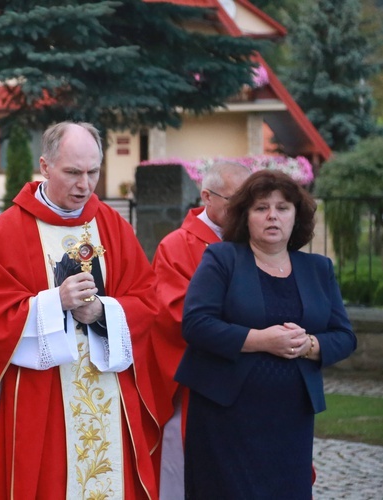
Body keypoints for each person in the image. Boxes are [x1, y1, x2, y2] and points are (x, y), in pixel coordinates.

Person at [0, 122, 161, 499]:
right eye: (73, 172)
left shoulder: (112, 226)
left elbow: (148, 301)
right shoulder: (7, 231)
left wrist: (101, 310)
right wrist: (55, 303)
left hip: (107, 385)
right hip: (39, 393)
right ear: (45, 167)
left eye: (93, 172)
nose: (85, 184)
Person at [176, 170, 357, 498]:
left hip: (291, 419)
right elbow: (196, 324)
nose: (272, 215)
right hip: (225, 416)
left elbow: (344, 335)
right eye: (261, 208)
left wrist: (308, 345)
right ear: (245, 216)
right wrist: (262, 341)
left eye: (283, 207)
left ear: (296, 216)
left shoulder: (318, 268)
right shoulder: (222, 258)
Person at [151, 161, 250, 500]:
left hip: (249, 378)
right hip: (199, 380)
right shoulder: (176, 246)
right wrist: (247, 333)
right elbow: (176, 315)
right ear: (206, 196)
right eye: (235, 200)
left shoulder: (253, 242)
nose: (245, 210)